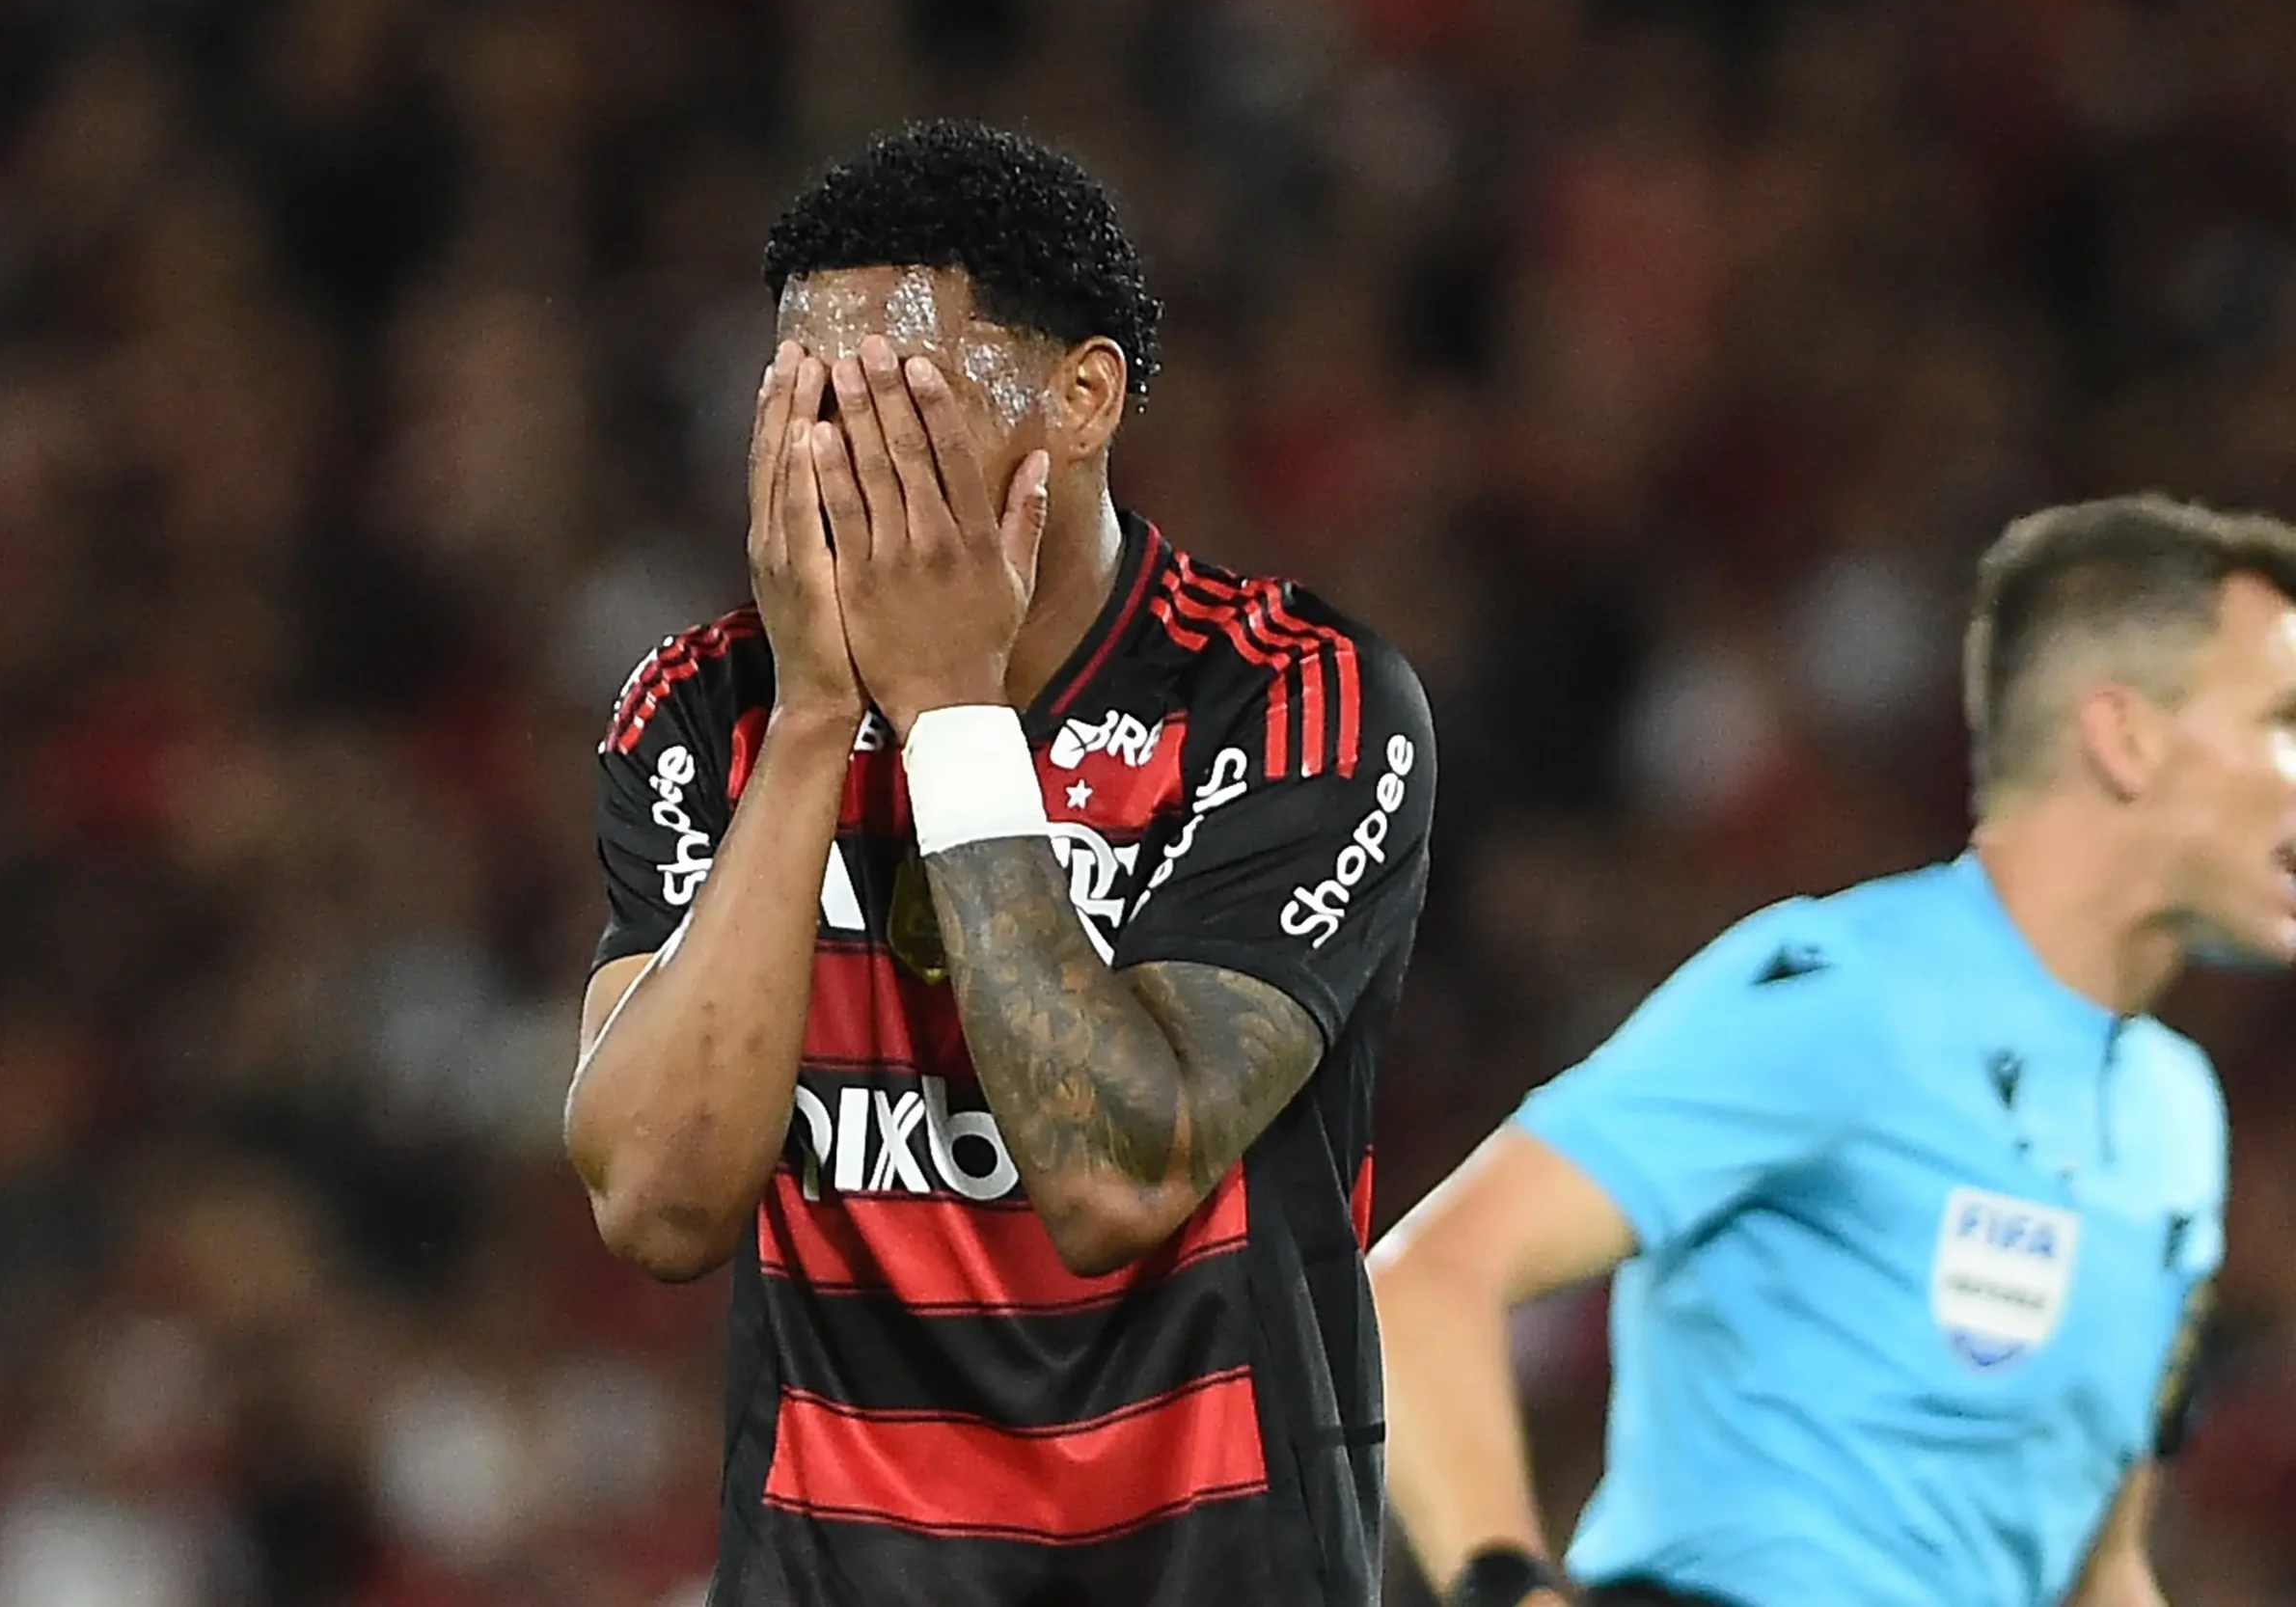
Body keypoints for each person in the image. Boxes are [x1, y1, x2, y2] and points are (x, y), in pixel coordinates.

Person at [563, 120, 1435, 1606]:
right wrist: (819, 722)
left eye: (896, 399)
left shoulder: (1291, 698)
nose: (842, 459)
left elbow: (1115, 1174)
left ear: (1083, 398)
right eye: (804, 404)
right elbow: (656, 1203)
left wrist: (955, 721)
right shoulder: (707, 714)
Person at [1370, 494, 2292, 1607]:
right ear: (2126, 737)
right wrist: (1510, 1591)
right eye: (2280, 721)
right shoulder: (1850, 994)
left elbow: (2099, 1566)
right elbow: (1425, 1280)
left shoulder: (2175, 1117)